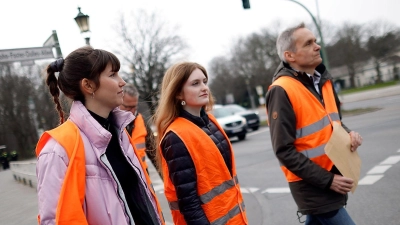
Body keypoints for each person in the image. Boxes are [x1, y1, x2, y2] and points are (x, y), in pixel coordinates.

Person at [35, 46, 165, 225]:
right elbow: (55, 220)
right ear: (88, 85)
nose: (123, 82)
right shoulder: (58, 150)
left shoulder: (120, 133)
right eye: (113, 75)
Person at [265, 23, 363, 225]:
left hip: (333, 176)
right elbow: (283, 150)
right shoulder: (281, 90)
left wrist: (349, 133)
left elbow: (334, 122)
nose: (317, 46)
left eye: (315, 41)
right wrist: (328, 180)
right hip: (313, 186)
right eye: (308, 43)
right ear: (290, 56)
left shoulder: (323, 80)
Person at [153, 62, 248, 225]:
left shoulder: (210, 121)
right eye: (195, 84)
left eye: (204, 81)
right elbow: (189, 203)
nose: (204, 87)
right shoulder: (175, 136)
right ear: (178, 94)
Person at [119, 83, 150, 174]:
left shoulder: (141, 120)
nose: (132, 111)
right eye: (127, 107)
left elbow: (154, 153)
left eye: (134, 107)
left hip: (143, 173)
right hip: (124, 177)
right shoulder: (110, 123)